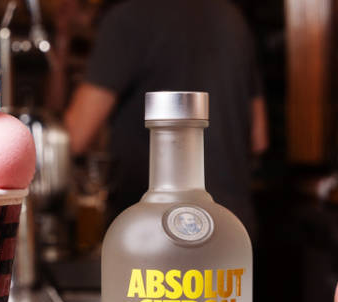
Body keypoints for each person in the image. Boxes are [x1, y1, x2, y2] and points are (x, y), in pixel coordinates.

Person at [63, 0, 268, 230]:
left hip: (152, 229)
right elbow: (259, 139)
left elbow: (75, 137)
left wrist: (63, 40)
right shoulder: (233, 18)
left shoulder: (129, 18)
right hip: (231, 224)